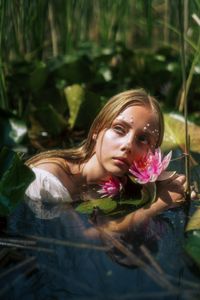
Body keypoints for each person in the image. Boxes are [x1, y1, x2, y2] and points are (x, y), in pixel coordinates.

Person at [25, 89, 187, 233]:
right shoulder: (46, 179)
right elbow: (81, 239)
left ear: (152, 154)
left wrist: (171, 194)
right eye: (119, 129)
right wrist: (159, 204)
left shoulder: (126, 182)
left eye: (143, 139)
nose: (128, 145)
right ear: (96, 130)